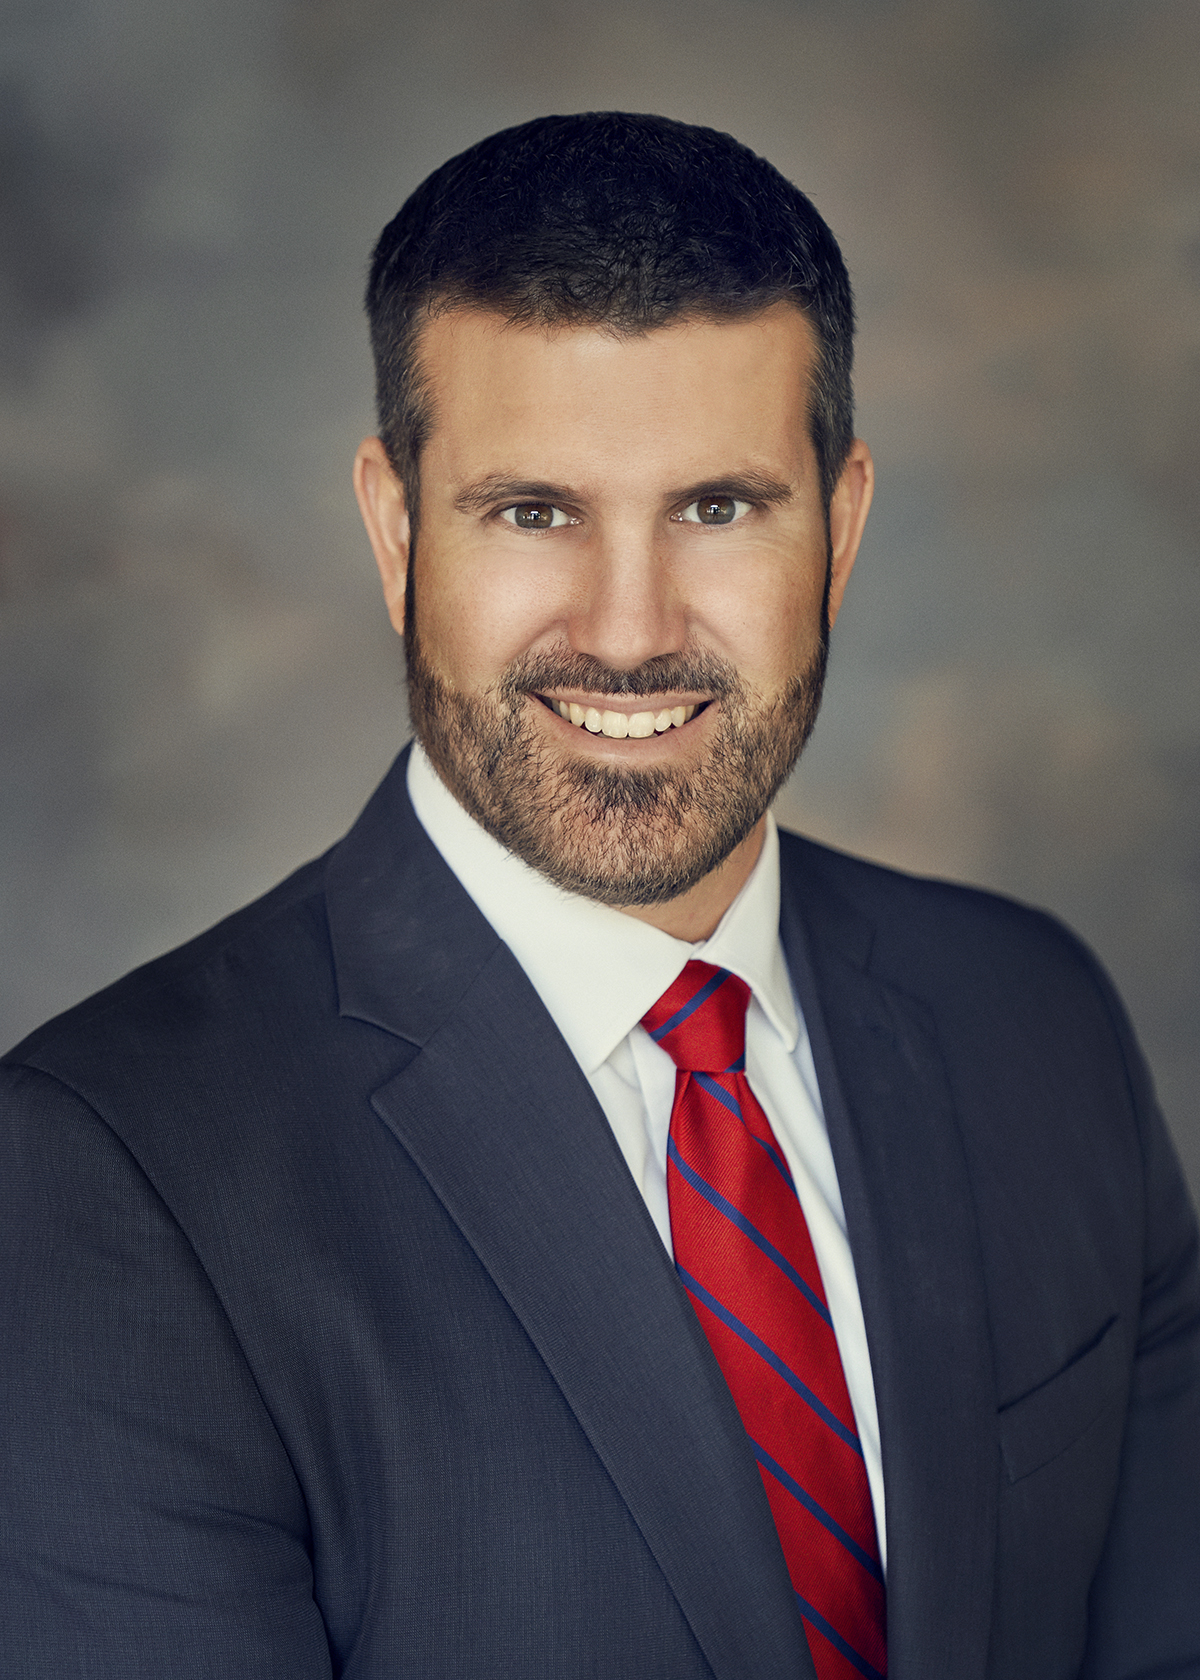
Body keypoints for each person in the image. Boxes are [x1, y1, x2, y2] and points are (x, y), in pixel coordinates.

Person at [2, 111, 1197, 1680]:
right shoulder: (105, 1179)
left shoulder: (1035, 1018)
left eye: (718, 508)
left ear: (839, 530)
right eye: (532, 511)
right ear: (394, 530)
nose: (628, 633)